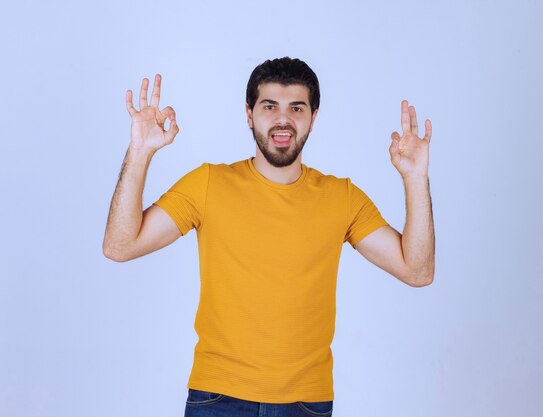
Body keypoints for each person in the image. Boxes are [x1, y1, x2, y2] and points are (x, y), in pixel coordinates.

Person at [103, 57, 435, 417]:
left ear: (313, 117)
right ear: (249, 115)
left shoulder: (342, 197)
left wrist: (415, 179)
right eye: (269, 106)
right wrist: (139, 153)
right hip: (218, 398)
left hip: (306, 404)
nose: (283, 119)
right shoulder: (208, 184)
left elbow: (416, 271)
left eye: (296, 107)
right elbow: (120, 246)